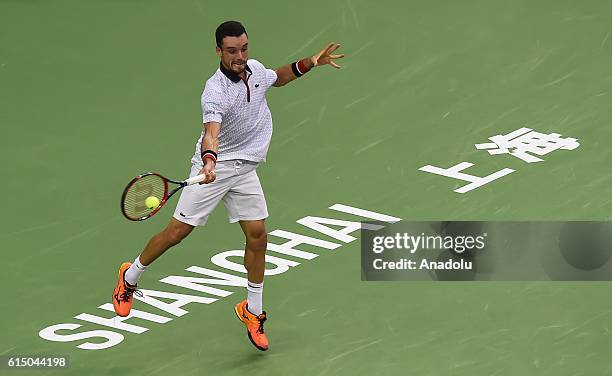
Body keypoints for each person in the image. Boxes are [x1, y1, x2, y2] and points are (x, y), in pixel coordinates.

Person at [112, 20, 344, 351]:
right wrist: (209, 162)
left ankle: (253, 310)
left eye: (244, 48)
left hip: (245, 168)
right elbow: (211, 132)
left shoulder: (255, 69)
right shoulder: (215, 91)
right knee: (176, 233)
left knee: (258, 235)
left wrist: (311, 62)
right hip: (216, 166)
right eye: (232, 51)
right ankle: (130, 277)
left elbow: (277, 77)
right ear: (219, 51)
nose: (240, 56)